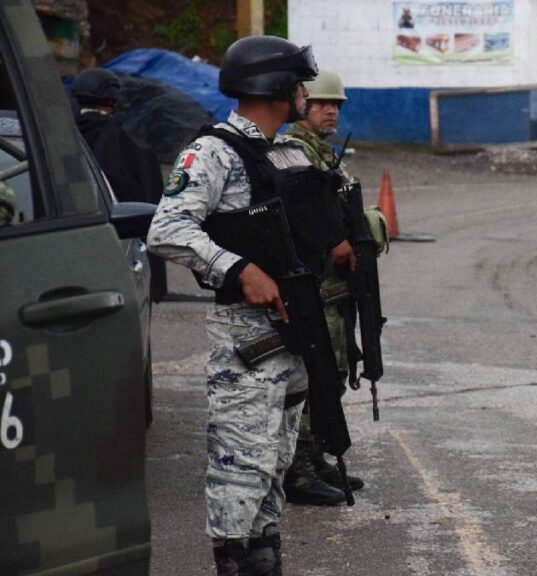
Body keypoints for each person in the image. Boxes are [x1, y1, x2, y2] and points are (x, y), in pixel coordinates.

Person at [146, 35, 347, 575]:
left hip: (293, 329)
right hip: (247, 336)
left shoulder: (280, 149)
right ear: (277, 86)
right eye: (299, 82)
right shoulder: (213, 151)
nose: (307, 92)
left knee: (277, 457)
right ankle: (232, 560)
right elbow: (165, 230)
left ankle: (262, 554)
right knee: (242, 459)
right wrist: (237, 267)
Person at [279, 69, 365, 506]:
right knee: (314, 374)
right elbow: (311, 221)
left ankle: (317, 455)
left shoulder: (322, 153)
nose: (332, 110)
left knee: (332, 370)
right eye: (322, 104)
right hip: (315, 286)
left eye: (337, 105)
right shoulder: (293, 153)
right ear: (302, 106)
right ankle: (301, 468)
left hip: (333, 288)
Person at [72, 68, 168, 302]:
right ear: (112, 98)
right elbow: (145, 201)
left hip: (67, 240)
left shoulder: (60, 136)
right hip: (119, 249)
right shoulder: (125, 140)